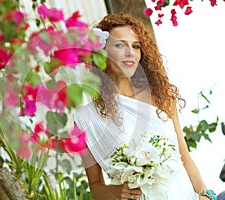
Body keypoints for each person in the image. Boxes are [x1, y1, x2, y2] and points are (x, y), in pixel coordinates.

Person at [74, 13, 216, 200]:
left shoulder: (162, 98)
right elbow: (95, 186)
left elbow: (184, 156)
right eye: (120, 45)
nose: (130, 53)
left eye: (135, 46)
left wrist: (205, 195)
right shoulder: (86, 120)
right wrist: (115, 192)